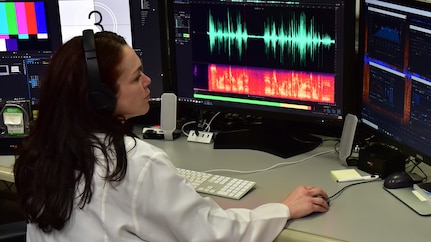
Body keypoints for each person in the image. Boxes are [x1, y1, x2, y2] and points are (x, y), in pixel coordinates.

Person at [13, 31, 329, 242]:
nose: (149, 81)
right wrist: (283, 208)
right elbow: (213, 235)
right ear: (100, 98)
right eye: (137, 77)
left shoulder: (43, 149)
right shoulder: (134, 163)